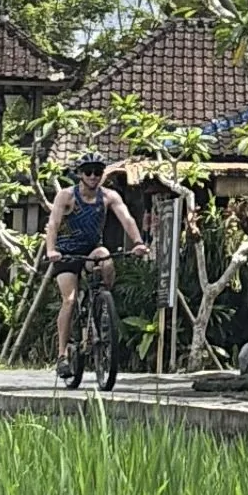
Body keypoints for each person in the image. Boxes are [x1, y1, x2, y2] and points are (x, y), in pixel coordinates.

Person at [43, 154, 148, 376]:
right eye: (88, 171)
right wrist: (51, 251)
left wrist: (138, 242)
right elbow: (53, 224)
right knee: (69, 301)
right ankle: (62, 354)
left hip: (91, 251)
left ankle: (102, 301)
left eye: (98, 172)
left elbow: (127, 219)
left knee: (105, 256)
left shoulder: (109, 196)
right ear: (80, 174)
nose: (93, 176)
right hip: (67, 255)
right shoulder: (66, 196)